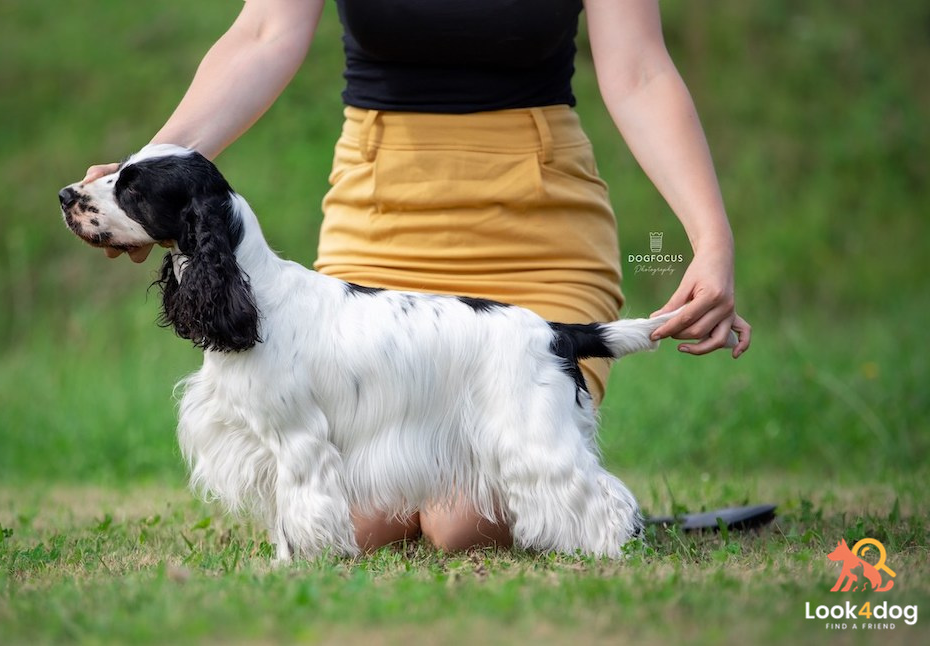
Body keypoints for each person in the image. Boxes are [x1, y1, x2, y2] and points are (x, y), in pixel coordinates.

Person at [82, 0, 752, 553]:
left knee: (465, 525)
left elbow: (638, 71)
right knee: (363, 521)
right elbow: (262, 32)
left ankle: (593, 504)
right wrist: (138, 176)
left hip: (538, 226)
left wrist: (710, 239)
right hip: (380, 221)